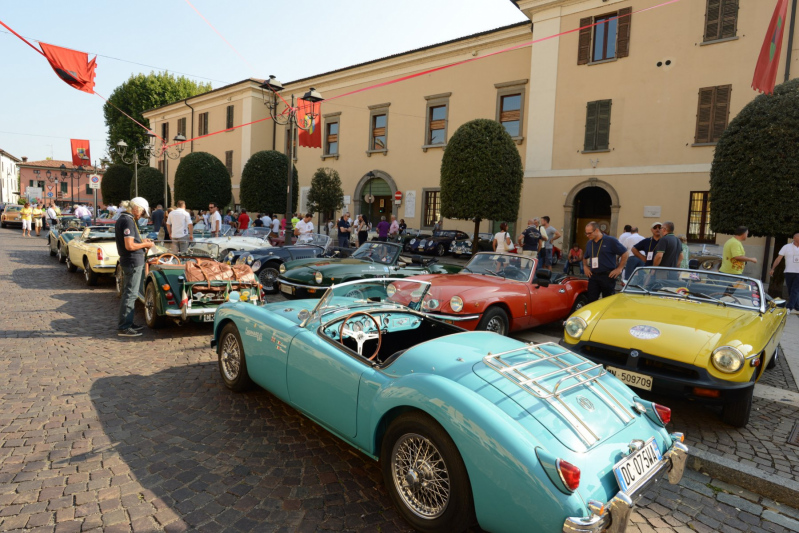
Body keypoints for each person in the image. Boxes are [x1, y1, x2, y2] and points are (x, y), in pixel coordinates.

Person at [116, 197, 155, 337]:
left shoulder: (125, 219)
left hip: (130, 261)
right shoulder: (128, 220)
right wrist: (146, 244)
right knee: (130, 294)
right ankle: (124, 327)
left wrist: (141, 241)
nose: (141, 215)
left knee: (130, 293)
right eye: (142, 212)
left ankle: (128, 323)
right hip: (132, 261)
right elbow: (129, 245)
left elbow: (130, 242)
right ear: (137, 208)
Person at [583, 221, 628, 303]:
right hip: (593, 276)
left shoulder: (611, 240)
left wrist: (619, 268)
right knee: (591, 301)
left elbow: (625, 253)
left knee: (607, 301)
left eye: (589, 233)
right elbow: (585, 256)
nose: (587, 235)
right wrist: (585, 266)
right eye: (586, 233)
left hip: (608, 276)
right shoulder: (589, 243)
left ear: (597, 230)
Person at [770, 232, 799, 314]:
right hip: (788, 271)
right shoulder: (786, 247)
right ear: (794, 238)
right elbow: (778, 258)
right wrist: (773, 268)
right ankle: (797, 307)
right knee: (791, 290)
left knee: (795, 289)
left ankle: (789, 307)